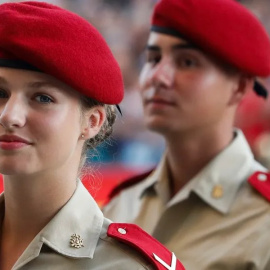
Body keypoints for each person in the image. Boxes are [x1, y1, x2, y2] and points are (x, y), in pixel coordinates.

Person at [0, 2, 186, 270]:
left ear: (92, 121)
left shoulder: (124, 265)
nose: (9, 116)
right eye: (0, 93)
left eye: (42, 97)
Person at [103, 0, 270, 269]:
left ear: (238, 87)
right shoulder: (119, 207)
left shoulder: (263, 219)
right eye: (153, 58)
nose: (158, 76)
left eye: (187, 62)